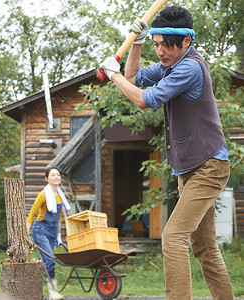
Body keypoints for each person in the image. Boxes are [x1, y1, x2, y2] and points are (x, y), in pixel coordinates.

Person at [99, 6, 234, 299]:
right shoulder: (169, 65)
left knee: (173, 237)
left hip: (209, 166)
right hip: (191, 167)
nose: (159, 51)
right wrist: (136, 43)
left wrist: (112, 75)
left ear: (186, 41)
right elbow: (133, 77)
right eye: (155, 44)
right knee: (204, 247)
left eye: (165, 45)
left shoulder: (189, 68)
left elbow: (144, 99)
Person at [26, 167, 71, 300]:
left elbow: (59, 217)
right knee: (50, 259)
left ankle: (45, 291)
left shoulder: (60, 196)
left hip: (52, 233)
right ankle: (53, 292)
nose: (56, 177)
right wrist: (26, 232)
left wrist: (58, 236)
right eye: (53, 175)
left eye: (58, 175)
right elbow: (33, 212)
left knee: (47, 262)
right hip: (41, 230)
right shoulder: (43, 194)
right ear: (47, 179)